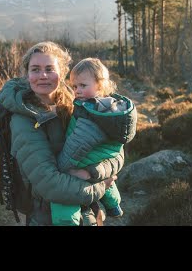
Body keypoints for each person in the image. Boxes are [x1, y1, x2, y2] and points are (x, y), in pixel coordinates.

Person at [0, 42, 123, 226]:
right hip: (46, 217)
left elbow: (114, 151)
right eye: (35, 69)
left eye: (49, 68)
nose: (43, 76)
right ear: (27, 75)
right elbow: (49, 184)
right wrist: (100, 187)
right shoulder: (23, 119)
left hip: (86, 212)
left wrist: (91, 172)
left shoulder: (76, 103)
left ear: (62, 73)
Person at [50, 58, 137, 226]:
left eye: (83, 85)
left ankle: (66, 221)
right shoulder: (109, 107)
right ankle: (114, 206)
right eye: (75, 86)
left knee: (63, 199)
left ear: (100, 85)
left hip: (83, 161)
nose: (77, 91)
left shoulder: (90, 114)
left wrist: (61, 168)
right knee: (106, 182)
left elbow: (77, 145)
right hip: (100, 160)